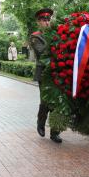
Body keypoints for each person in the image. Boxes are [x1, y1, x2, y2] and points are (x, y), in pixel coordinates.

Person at [30, 8, 62, 143]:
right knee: (46, 101)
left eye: (49, 20)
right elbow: (42, 53)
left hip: (57, 71)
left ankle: (55, 132)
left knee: (58, 101)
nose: (47, 23)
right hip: (43, 72)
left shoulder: (56, 34)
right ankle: (41, 122)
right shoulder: (35, 36)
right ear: (38, 22)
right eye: (44, 20)